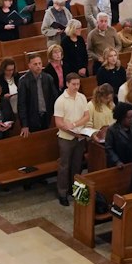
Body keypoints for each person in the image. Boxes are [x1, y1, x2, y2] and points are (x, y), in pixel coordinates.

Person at [52, 73, 90, 205]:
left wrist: (75, 125)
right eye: (73, 84)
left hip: (79, 136)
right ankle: (62, 193)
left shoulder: (82, 97)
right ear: (67, 84)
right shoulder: (61, 100)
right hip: (66, 138)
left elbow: (86, 116)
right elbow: (59, 123)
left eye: (78, 84)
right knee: (64, 166)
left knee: (77, 165)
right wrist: (73, 132)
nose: (76, 87)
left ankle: (75, 191)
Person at [17, 54, 57, 135]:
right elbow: (21, 104)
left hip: (47, 116)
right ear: (29, 66)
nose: (38, 66)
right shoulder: (24, 81)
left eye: (40, 63)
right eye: (35, 64)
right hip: (32, 119)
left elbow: (54, 97)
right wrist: (24, 125)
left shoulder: (48, 78)